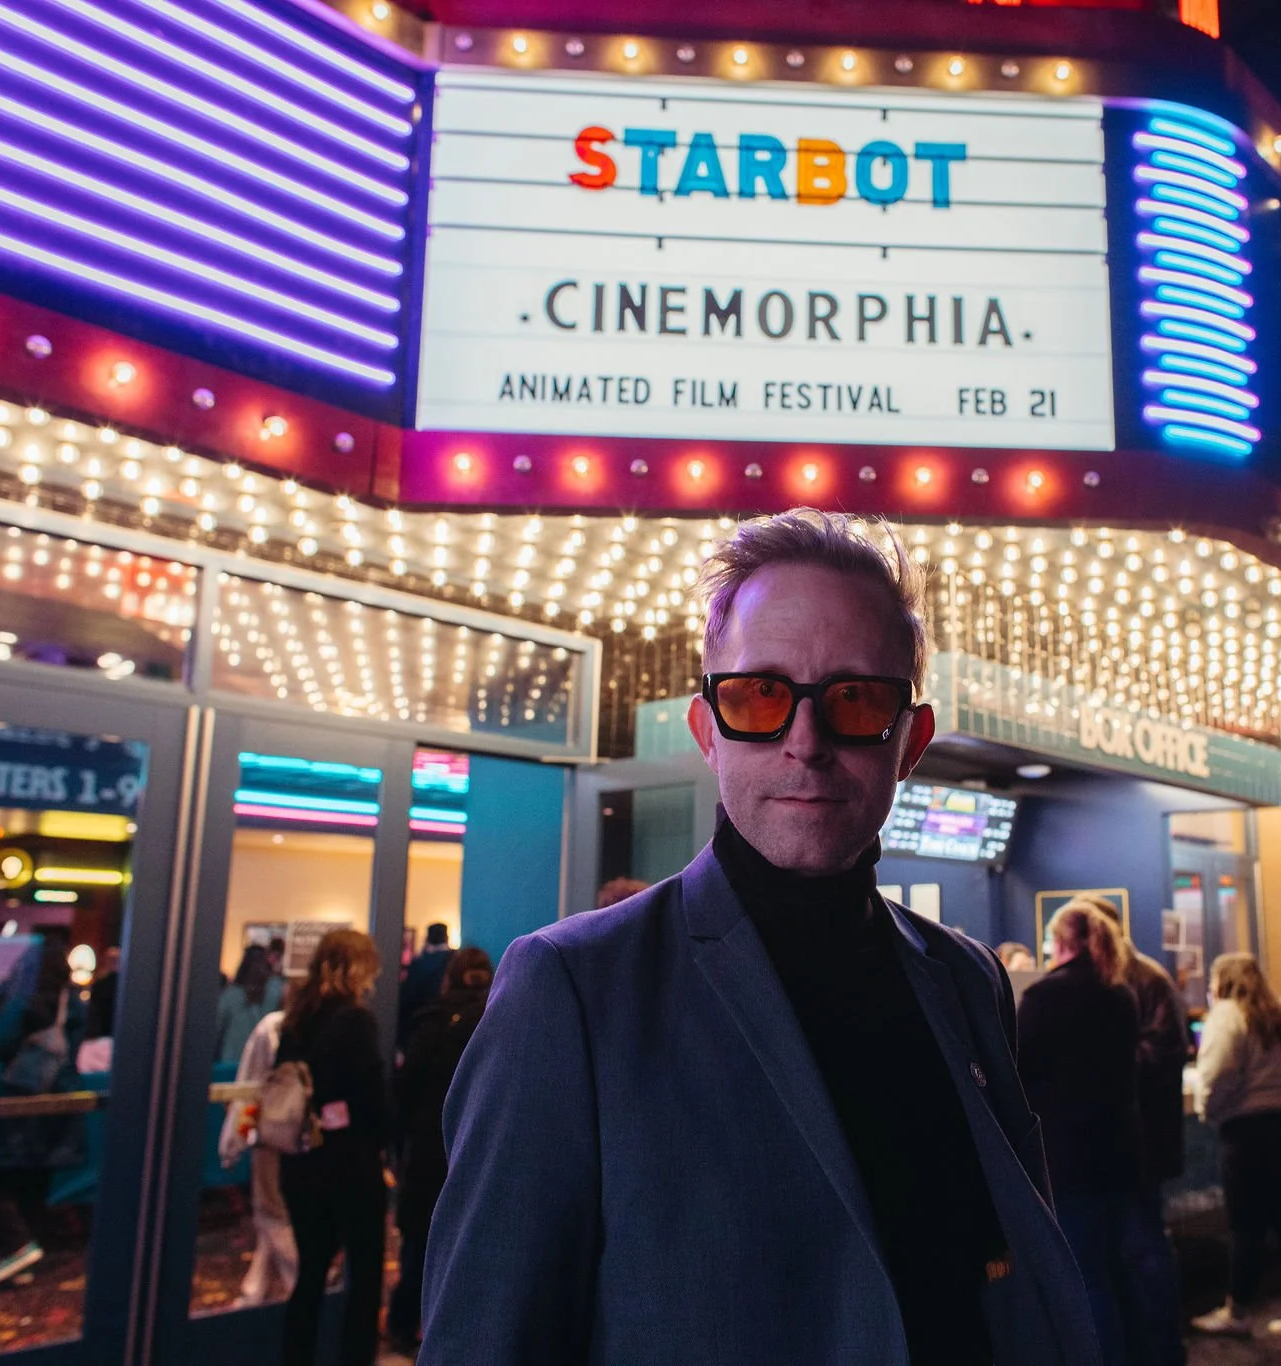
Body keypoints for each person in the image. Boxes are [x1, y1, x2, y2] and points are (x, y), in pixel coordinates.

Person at [424, 508, 1099, 1363]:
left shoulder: (967, 982)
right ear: (708, 728)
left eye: (855, 698)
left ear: (911, 742)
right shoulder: (574, 992)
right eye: (760, 696)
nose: (805, 743)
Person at [1017, 902, 1153, 1366]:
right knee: (1121, 1269)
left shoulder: (1044, 997)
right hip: (1122, 1150)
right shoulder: (1122, 994)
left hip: (1071, 1157)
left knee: (1085, 1275)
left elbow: (1017, 1069)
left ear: (1058, 942)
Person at [1189, 952, 1281, 1345]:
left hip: (1251, 1134)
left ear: (1223, 981)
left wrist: (1207, 1111)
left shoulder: (1227, 1016)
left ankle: (1238, 1313)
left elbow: (1216, 1075)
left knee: (1245, 1225)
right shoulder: (1277, 1016)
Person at [277, 928, 390, 1366]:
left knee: (310, 1273)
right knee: (363, 1278)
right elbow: (371, 1098)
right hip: (350, 1165)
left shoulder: (297, 1016)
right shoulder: (355, 1020)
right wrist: (383, 1146)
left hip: (302, 1162)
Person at [1084, 897, 1187, 1366]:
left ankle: (1165, 1349)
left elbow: (1165, 1053)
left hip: (1143, 1139)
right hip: (1118, 1141)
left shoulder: (1146, 979)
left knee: (1145, 1247)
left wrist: (1103, 1058)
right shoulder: (1113, 979)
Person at [387, 945, 492, 1355]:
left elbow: (406, 1086)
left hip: (431, 1149)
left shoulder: (434, 1022)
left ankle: (403, 1326)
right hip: (480, 1151)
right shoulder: (499, 1019)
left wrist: (400, 1140)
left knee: (421, 1245)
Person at [0, 934, 88, 1289]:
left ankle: (18, 1246)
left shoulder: (25, 1003)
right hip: (61, 1099)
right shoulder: (76, 1006)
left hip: (20, 1101)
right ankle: (24, 1252)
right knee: (36, 1180)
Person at [217, 1007, 298, 1306]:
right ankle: (258, 1288)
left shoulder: (275, 1026)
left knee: (272, 1212)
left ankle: (294, 1286)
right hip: (290, 1136)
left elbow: (249, 1084)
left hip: (279, 1133)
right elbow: (250, 1086)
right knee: (272, 1211)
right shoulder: (277, 1026)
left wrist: (233, 1141)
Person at [213, 944, 284, 1066]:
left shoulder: (230, 996)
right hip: (264, 1065)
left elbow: (216, 1031)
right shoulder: (277, 992)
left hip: (230, 1065)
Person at [396, 922, 452, 1046]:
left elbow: (407, 996)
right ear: (446, 938)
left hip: (420, 1025)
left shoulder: (419, 964)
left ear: (427, 939)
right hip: (449, 1026)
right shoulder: (455, 961)